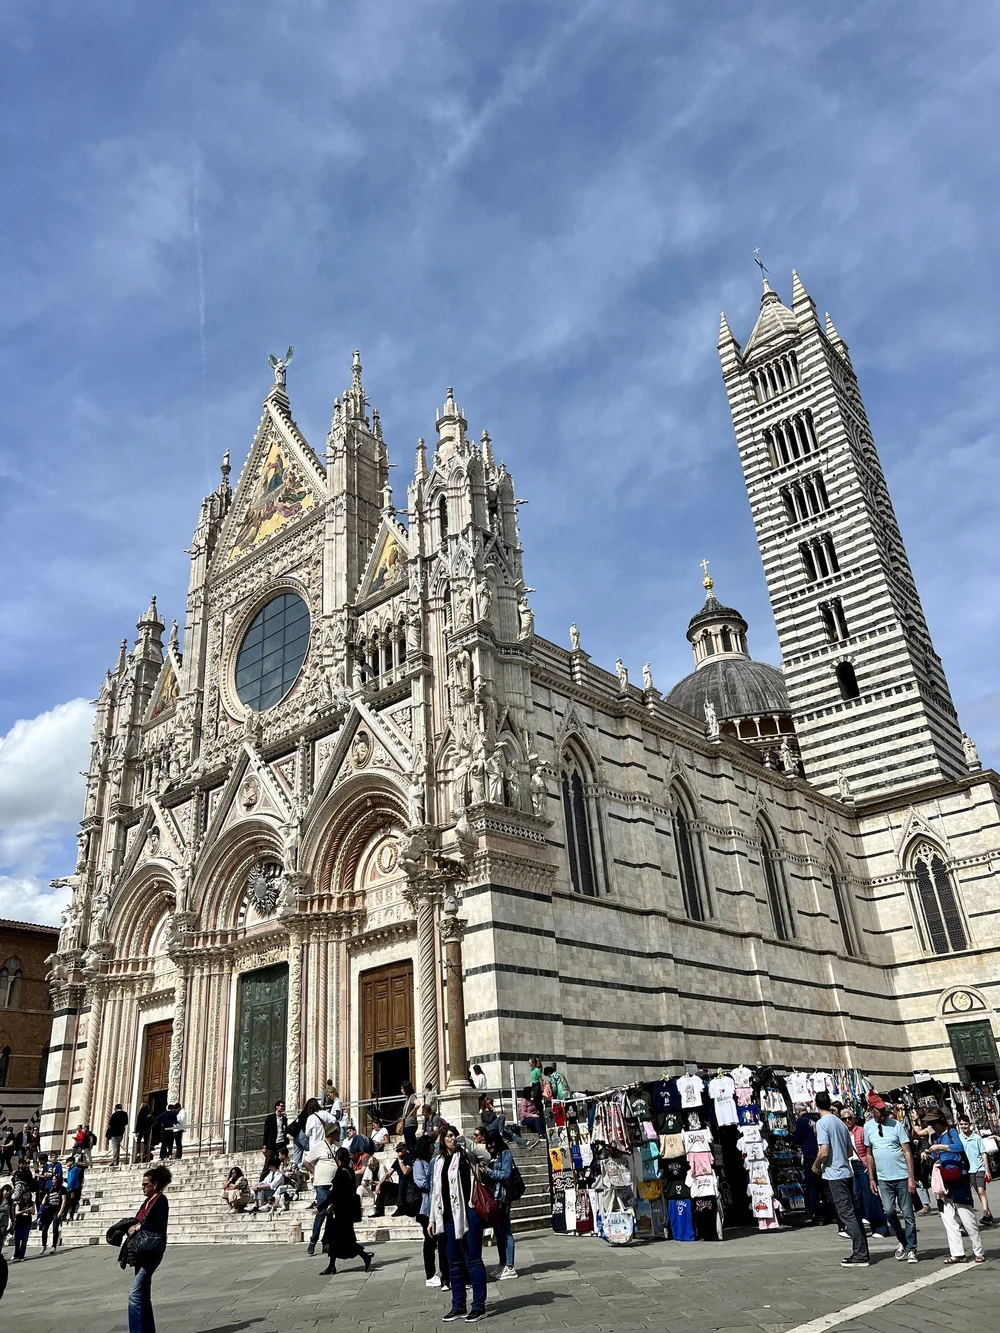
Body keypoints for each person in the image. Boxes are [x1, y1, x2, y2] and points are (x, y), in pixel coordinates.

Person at [429, 1124, 488, 1322]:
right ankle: (458, 1305)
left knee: (473, 1259)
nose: (452, 1139)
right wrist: (431, 1219)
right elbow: (434, 1192)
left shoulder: (466, 1155)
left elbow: (486, 1157)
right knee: (453, 1262)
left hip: (468, 1213)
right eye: (449, 1136)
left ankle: (478, 1306)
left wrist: (468, 1142)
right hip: (446, 1217)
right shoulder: (438, 1161)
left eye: (454, 1135)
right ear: (442, 1139)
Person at [813, 1090, 869, 1266]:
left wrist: (816, 1165)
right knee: (853, 1213)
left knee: (846, 1214)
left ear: (816, 1104)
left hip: (834, 1174)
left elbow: (824, 1151)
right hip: (847, 1171)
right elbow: (849, 1150)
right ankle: (863, 1251)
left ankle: (860, 1254)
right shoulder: (840, 1123)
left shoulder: (822, 1124)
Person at [924, 1111, 985, 1264]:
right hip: (943, 1179)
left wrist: (941, 1146)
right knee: (948, 1217)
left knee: (966, 1216)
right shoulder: (934, 1137)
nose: (933, 1127)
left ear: (941, 1121)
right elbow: (939, 1157)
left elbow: (958, 1147)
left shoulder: (951, 1133)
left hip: (959, 1177)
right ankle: (957, 1253)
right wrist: (930, 1156)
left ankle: (978, 1251)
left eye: (934, 1124)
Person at [863, 1098, 918, 1261]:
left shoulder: (897, 1125)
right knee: (889, 1211)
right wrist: (871, 1178)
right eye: (879, 1110)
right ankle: (903, 1240)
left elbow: (907, 1152)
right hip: (883, 1179)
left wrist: (911, 1177)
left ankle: (912, 1248)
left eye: (884, 1110)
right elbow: (869, 1153)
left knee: (908, 1214)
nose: (883, 1113)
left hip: (901, 1176)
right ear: (872, 1110)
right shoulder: (868, 1127)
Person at [126, 1165, 170, 1333]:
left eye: (146, 1184)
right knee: (143, 1296)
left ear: (155, 1184)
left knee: (135, 1295)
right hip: (142, 1251)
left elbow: (159, 1224)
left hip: (152, 1251)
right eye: (143, 1184)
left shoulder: (160, 1200)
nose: (143, 1187)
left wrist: (139, 1226)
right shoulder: (147, 1202)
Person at [319, 1148, 374, 1276]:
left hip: (340, 1212)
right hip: (346, 1211)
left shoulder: (341, 1172)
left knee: (343, 1239)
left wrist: (320, 1207)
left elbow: (334, 1193)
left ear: (338, 1158)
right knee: (337, 1239)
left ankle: (365, 1256)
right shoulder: (349, 1170)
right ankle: (332, 1266)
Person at [840, 1107, 889, 1237]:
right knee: (854, 1198)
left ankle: (880, 1227)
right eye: (844, 1119)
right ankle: (855, 1229)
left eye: (849, 1118)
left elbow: (869, 1150)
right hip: (849, 1167)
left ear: (854, 1118)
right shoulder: (842, 1133)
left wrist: (870, 1165)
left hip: (862, 1165)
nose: (847, 1121)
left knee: (870, 1196)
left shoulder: (861, 1131)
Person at [413, 1136, 450, 1290]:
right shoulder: (418, 1163)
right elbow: (421, 1183)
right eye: (430, 1146)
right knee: (429, 1242)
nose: (432, 1149)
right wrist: (435, 1181)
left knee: (437, 1241)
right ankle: (430, 1274)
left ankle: (442, 1272)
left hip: (435, 1207)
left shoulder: (431, 1161)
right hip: (425, 1208)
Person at [484, 1132, 518, 1280]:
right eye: (488, 1143)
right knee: (498, 1232)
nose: (490, 1146)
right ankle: (503, 1262)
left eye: (492, 1143)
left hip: (503, 1197)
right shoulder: (494, 1155)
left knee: (506, 1230)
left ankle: (510, 1266)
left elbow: (506, 1174)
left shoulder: (505, 1153)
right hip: (494, 1197)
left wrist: (489, 1171)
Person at [305, 1126, 340, 1256]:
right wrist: (315, 1172)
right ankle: (313, 1240)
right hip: (321, 1184)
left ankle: (326, 1242)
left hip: (334, 1185)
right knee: (322, 1211)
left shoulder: (338, 1146)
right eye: (336, 1132)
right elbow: (306, 1162)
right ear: (331, 1133)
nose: (338, 1134)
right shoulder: (318, 1146)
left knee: (331, 1214)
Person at [957, 1115, 993, 1226]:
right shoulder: (959, 1138)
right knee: (978, 1192)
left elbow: (983, 1153)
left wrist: (987, 1170)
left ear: (970, 1124)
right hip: (969, 1170)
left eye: (965, 1124)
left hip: (980, 1168)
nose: (964, 1126)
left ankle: (985, 1215)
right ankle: (989, 1214)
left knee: (981, 1191)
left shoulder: (977, 1138)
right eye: (962, 1124)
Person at [793, 1104, 827, 1223]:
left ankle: (818, 1216)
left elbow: (796, 1139)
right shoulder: (816, 1118)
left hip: (810, 1156)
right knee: (824, 1186)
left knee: (812, 1187)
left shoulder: (801, 1121)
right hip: (822, 1153)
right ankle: (829, 1213)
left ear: (797, 1111)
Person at [37, 1171, 67, 1254]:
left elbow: (64, 1201)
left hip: (57, 1210)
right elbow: (45, 1197)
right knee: (44, 1228)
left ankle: (54, 1246)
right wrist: (41, 1207)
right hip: (48, 1210)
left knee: (55, 1228)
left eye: (54, 1179)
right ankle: (43, 1245)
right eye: (53, 1179)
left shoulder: (62, 1189)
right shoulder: (50, 1188)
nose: (53, 1181)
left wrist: (61, 1211)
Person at [11, 1169, 34, 1262]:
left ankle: (21, 1255)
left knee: (24, 1239)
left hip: (26, 1221)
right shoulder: (24, 1185)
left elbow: (15, 1195)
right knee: (17, 1239)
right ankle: (17, 1253)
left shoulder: (19, 1185)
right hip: (20, 1220)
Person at [400, 1081, 419, 1151]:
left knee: (411, 1144)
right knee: (408, 1144)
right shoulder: (407, 1098)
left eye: (402, 1089)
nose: (401, 1091)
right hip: (407, 1124)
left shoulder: (412, 1097)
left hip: (410, 1124)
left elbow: (418, 1104)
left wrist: (412, 1112)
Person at [65, 1156, 84, 1220]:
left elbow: (73, 1179)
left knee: (72, 1203)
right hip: (70, 1187)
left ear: (71, 1162)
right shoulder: (69, 1170)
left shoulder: (75, 1169)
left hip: (74, 1188)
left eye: (67, 1162)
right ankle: (64, 1216)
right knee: (67, 1203)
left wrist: (69, 1187)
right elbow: (69, 1179)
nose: (66, 1163)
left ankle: (71, 1216)